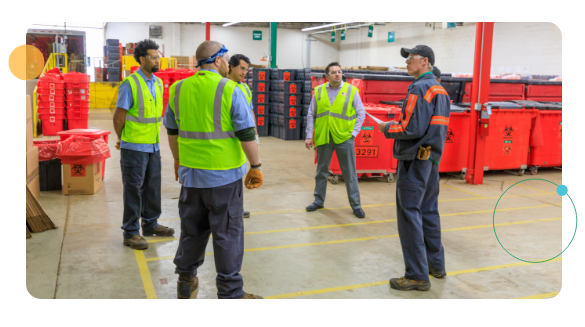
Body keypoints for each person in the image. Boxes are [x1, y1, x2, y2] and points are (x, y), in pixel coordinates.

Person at [164, 41, 264, 300]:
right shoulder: (230, 89)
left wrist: (177, 160)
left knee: (192, 230)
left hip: (191, 177)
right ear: (218, 60)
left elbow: (172, 132)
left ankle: (186, 280)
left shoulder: (177, 89)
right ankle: (230, 293)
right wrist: (255, 166)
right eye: (227, 58)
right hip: (224, 178)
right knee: (227, 235)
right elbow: (246, 134)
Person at [378, 45, 450, 291]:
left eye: (411, 59)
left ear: (425, 62)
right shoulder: (440, 89)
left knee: (409, 214)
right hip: (431, 161)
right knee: (429, 212)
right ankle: (435, 265)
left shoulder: (419, 88)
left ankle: (417, 275)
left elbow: (411, 129)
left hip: (414, 161)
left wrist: (387, 128)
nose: (407, 62)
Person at [113, 39, 174, 251]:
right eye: (154, 57)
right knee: (133, 189)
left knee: (152, 188)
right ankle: (130, 232)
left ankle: (150, 224)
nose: (158, 60)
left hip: (153, 146)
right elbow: (118, 118)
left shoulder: (157, 82)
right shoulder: (129, 84)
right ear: (142, 59)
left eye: (158, 56)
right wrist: (124, 139)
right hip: (134, 148)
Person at [305, 62, 366, 219]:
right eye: (333, 72)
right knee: (321, 171)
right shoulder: (318, 91)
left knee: (350, 173)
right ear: (327, 76)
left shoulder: (351, 90)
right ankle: (318, 201)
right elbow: (311, 114)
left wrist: (354, 133)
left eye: (339, 71)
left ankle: (356, 206)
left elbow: (361, 113)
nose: (337, 74)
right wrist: (309, 135)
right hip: (324, 136)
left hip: (345, 137)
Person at [227, 54, 259, 219]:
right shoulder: (223, 87)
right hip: (229, 139)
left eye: (246, 69)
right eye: (241, 68)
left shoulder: (244, 88)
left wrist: (255, 134)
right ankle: (231, 208)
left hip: (244, 137)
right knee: (230, 174)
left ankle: (237, 207)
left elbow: (250, 111)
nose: (244, 72)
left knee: (240, 171)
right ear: (231, 66)